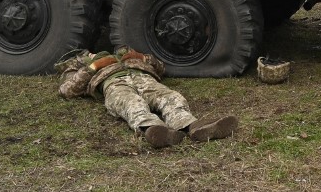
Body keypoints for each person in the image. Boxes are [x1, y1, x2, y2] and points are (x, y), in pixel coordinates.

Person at [56, 47, 238, 148]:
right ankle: (154, 130)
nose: (90, 53)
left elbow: (161, 68)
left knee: (170, 96)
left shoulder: (126, 53)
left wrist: (142, 57)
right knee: (131, 103)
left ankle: (193, 126)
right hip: (114, 82)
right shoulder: (82, 66)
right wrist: (94, 67)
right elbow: (67, 90)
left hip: (143, 77)